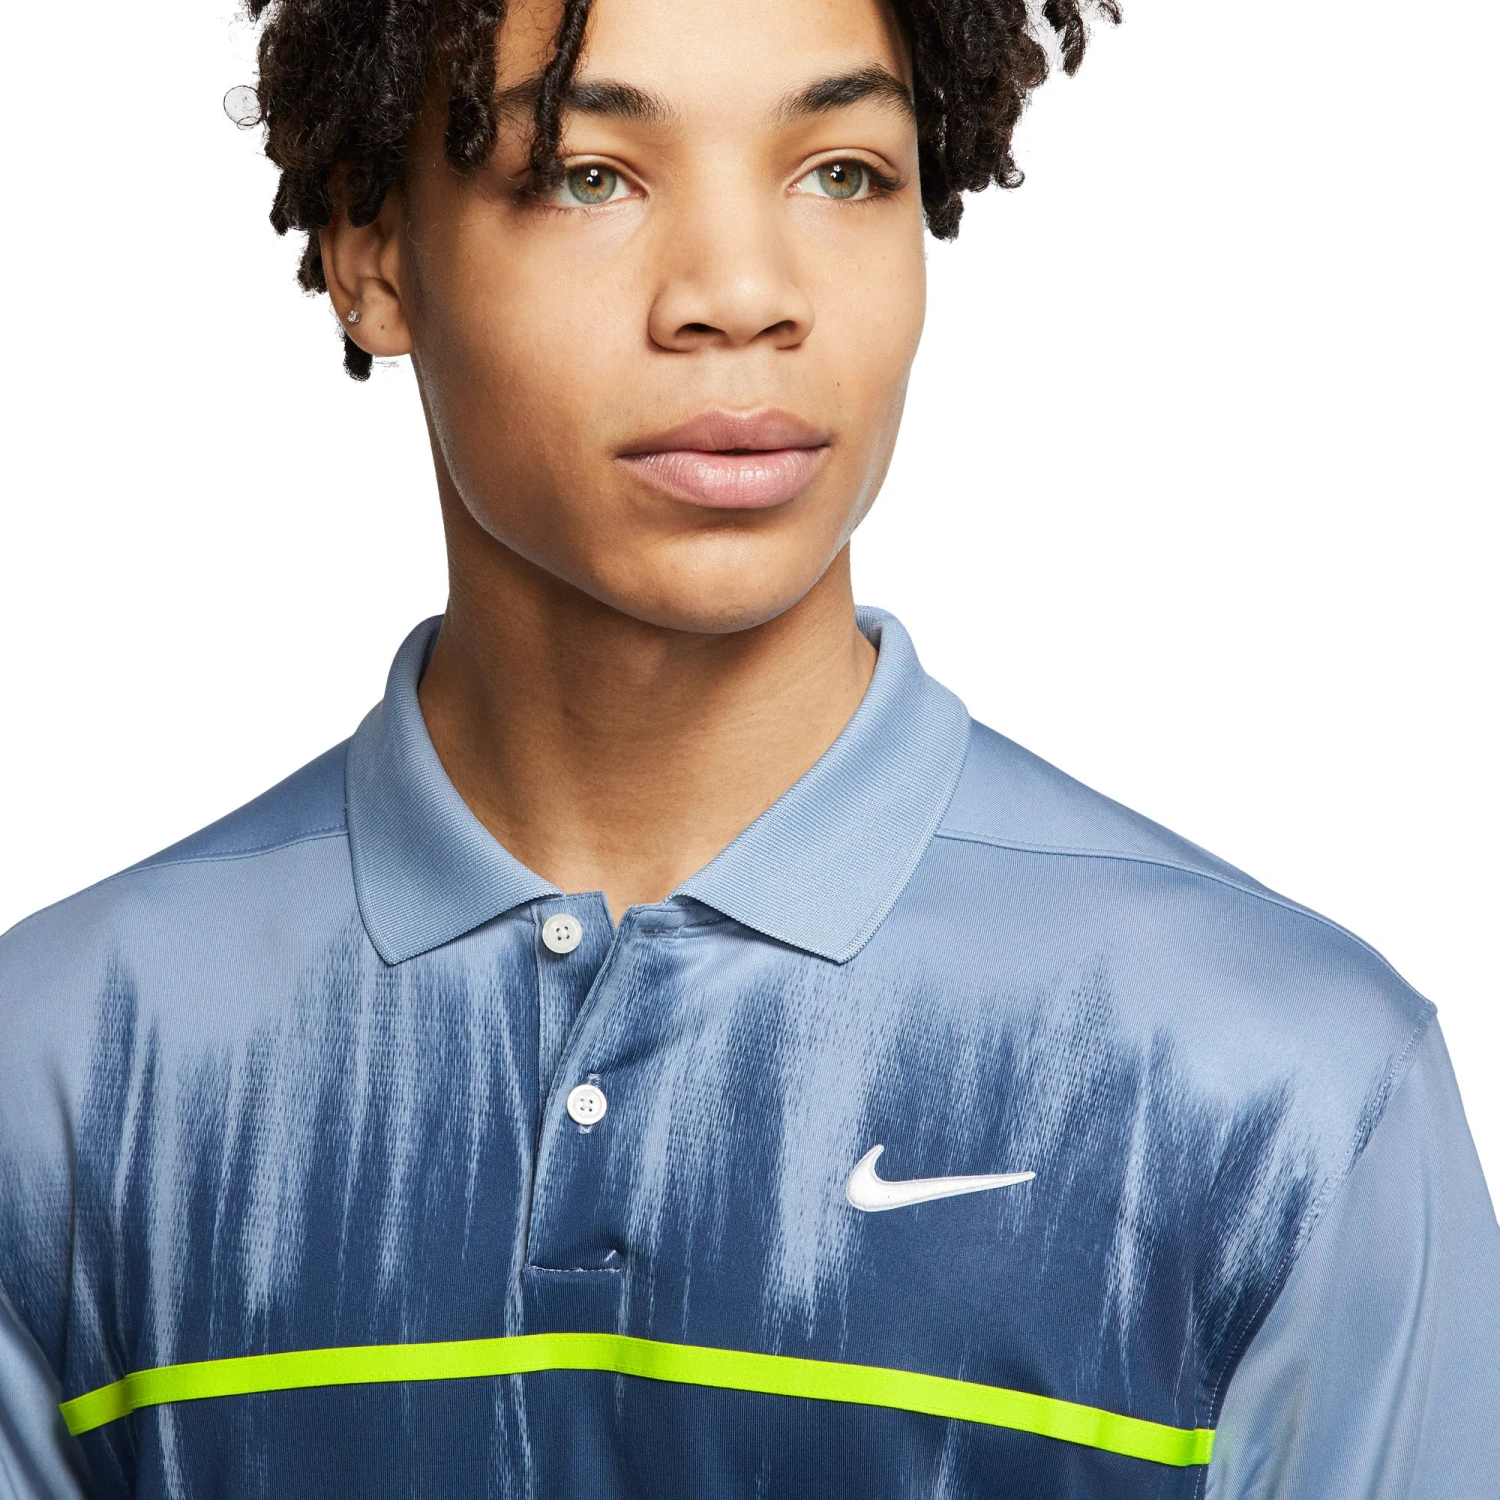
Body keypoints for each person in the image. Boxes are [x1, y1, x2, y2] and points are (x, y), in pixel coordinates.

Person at [1, 0, 1495, 1493]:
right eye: (589, 173)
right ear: (372, 256)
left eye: (843, 172)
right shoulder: (62, 1075)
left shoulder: (1281, 1088)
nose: (741, 296)